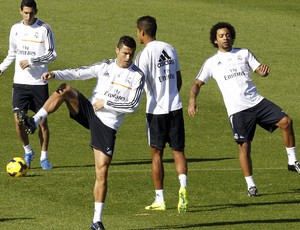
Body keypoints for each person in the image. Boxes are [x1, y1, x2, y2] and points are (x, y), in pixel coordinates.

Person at [18, 35, 145, 230]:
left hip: (107, 125)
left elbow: (133, 106)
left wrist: (107, 103)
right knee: (66, 89)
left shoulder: (137, 75)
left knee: (102, 171)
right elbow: (80, 72)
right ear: (117, 50)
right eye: (125, 53)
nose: (128, 58)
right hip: (89, 112)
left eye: (131, 54)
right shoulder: (106, 66)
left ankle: (97, 221)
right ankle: (35, 121)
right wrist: (55, 74)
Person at [188, 22, 300, 197]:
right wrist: (192, 100)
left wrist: (263, 72)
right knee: (244, 146)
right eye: (221, 36)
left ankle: (292, 161)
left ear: (232, 36)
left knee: (286, 122)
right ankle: (251, 185)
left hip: (257, 102)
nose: (225, 38)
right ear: (215, 41)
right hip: (238, 110)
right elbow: (197, 83)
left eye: (227, 34)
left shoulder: (244, 53)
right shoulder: (211, 63)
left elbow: (259, 70)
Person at [135, 15, 188, 213]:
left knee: (156, 153)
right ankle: (183, 187)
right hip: (175, 106)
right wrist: (171, 94)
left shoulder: (144, 54)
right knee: (178, 151)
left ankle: (160, 199)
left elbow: (139, 83)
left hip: (156, 111)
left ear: (142, 32)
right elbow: (179, 79)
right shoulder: (170, 48)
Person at [0, 0, 57, 170]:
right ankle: (28, 151)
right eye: (25, 12)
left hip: (39, 83)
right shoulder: (15, 29)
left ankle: (44, 157)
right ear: (20, 12)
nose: (28, 16)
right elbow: (13, 52)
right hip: (20, 83)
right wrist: (2, 67)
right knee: (18, 121)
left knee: (42, 123)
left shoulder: (44, 29)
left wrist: (32, 61)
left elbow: (52, 54)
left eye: (31, 13)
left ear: (36, 11)